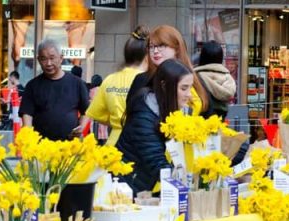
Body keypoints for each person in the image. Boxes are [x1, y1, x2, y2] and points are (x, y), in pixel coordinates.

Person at [116, 59, 194, 194]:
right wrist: (188, 185)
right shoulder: (144, 117)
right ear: (164, 86)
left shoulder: (172, 112)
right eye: (183, 88)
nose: (189, 95)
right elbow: (157, 163)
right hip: (126, 190)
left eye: (190, 88)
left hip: (144, 186)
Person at [85, 25, 148, 146]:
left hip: (114, 145)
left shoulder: (110, 79)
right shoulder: (150, 80)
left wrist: (116, 122)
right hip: (142, 144)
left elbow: (96, 114)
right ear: (147, 56)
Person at [126, 25, 208, 116]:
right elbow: (132, 113)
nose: (155, 51)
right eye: (151, 47)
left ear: (176, 48)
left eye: (161, 45)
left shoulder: (196, 79)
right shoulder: (142, 79)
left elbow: (208, 114)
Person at [20, 39, 90, 140]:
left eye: (52, 58)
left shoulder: (77, 83)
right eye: (44, 59)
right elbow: (27, 115)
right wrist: (29, 138)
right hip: (41, 147)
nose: (48, 63)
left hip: (69, 147)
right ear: (38, 60)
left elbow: (86, 111)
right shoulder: (32, 86)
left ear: (61, 58)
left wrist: (81, 128)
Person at [194, 40, 236, 119]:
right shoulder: (227, 78)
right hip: (220, 122)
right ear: (221, 57)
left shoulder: (195, 77)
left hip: (198, 124)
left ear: (202, 57)